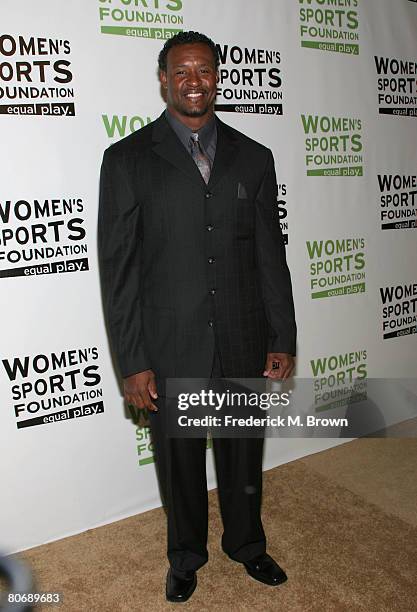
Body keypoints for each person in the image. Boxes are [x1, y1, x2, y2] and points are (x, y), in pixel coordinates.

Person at [98, 31, 297, 603]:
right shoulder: (127, 159)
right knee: (180, 463)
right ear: (163, 80)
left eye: (204, 70)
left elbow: (269, 255)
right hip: (169, 343)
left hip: (242, 336)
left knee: (242, 455)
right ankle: (185, 556)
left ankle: (248, 546)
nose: (193, 81)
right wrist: (133, 361)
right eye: (180, 71)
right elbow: (120, 272)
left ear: (218, 76)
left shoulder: (254, 157)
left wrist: (281, 334)